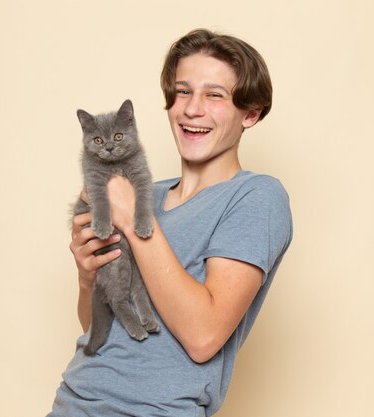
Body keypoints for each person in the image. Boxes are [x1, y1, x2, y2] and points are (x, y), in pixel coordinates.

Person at [47, 28, 293, 417]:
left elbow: (203, 336)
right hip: (73, 405)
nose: (192, 109)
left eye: (214, 95)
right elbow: (102, 331)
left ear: (250, 113)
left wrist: (130, 219)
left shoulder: (257, 197)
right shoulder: (143, 193)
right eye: (182, 91)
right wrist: (86, 277)